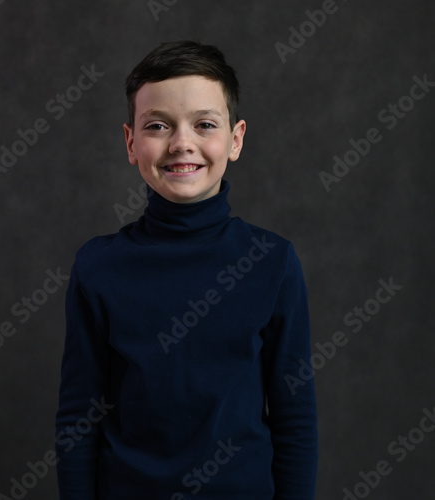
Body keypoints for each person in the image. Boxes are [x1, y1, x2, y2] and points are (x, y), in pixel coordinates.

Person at [55, 39, 318, 499]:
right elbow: (79, 417)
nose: (181, 143)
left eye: (204, 124)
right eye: (157, 125)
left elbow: (294, 417)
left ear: (234, 140)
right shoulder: (98, 266)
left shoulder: (273, 262)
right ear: (132, 142)